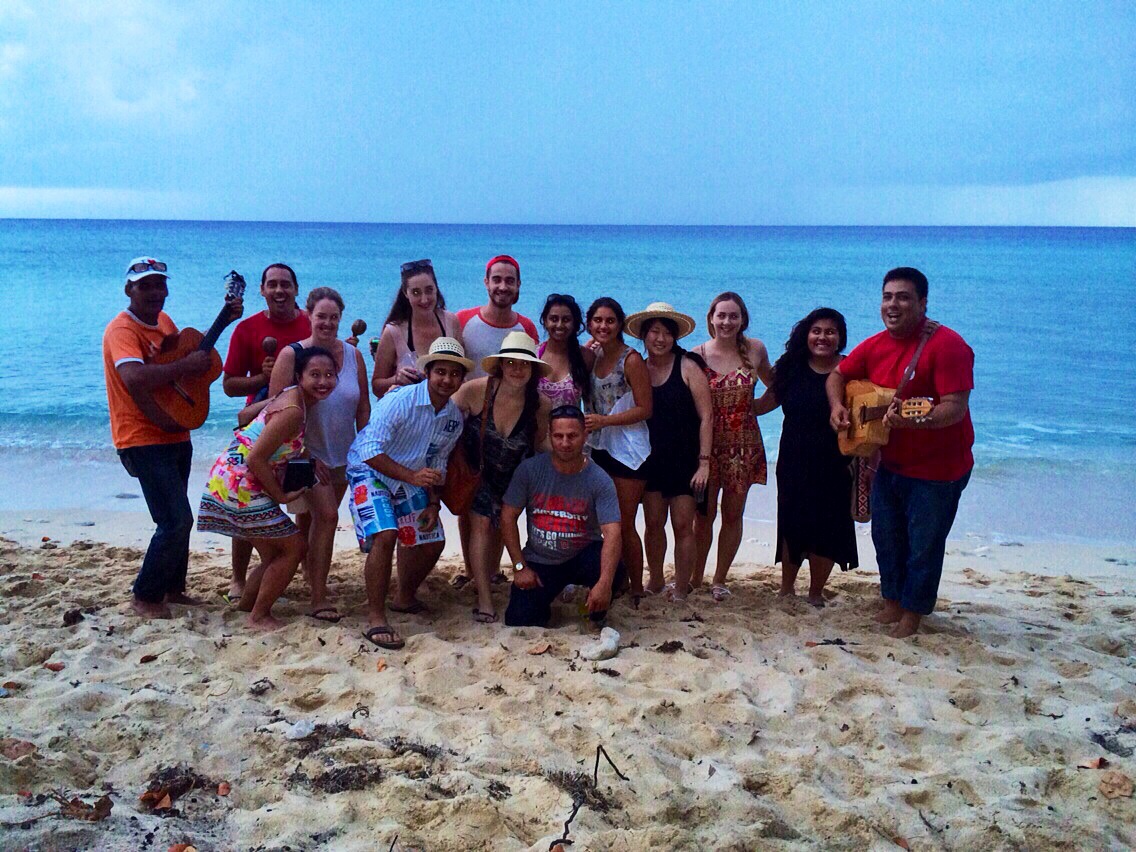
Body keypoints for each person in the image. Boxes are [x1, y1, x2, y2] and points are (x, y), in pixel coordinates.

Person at [827, 267, 974, 638]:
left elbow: (954, 406)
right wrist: (836, 407)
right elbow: (837, 376)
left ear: (923, 303)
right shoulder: (875, 345)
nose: (893, 304)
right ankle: (892, 601)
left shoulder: (948, 346)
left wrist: (915, 422)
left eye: (904, 297)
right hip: (890, 462)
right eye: (887, 297)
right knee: (887, 538)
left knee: (924, 546)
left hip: (939, 468)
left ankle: (914, 612)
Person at [103, 257, 241, 619]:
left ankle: (172, 589)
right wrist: (185, 368)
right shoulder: (121, 330)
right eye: (144, 285)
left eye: (159, 285)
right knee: (175, 520)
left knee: (179, 514)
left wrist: (224, 321)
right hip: (141, 436)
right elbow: (134, 377)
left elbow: (185, 359)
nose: (154, 292)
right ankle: (145, 596)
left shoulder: (164, 322)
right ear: (128, 289)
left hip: (175, 429)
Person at [198, 347, 337, 629]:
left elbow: (244, 416)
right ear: (299, 376)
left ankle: (248, 605)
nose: (323, 381)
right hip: (240, 484)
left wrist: (305, 454)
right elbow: (256, 457)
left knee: (276, 552)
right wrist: (281, 495)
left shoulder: (291, 397)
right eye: (315, 374)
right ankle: (258, 616)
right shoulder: (294, 410)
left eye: (329, 375)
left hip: (227, 477)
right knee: (295, 547)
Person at [347, 337, 470, 650]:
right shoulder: (399, 400)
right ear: (428, 371)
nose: (447, 379)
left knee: (432, 539)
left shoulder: (454, 418)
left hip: (409, 476)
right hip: (369, 471)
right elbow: (369, 450)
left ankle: (404, 597)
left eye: (454, 374)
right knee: (386, 535)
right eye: (440, 371)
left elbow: (435, 462)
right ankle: (376, 616)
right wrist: (412, 476)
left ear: (461, 379)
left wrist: (432, 501)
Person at [268, 287, 370, 623]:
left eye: (333, 317)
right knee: (327, 517)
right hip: (302, 455)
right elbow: (276, 411)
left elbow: (363, 407)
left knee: (311, 520)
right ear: (309, 316)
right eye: (321, 316)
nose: (327, 323)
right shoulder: (292, 355)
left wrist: (366, 448)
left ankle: (293, 576)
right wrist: (308, 455)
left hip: (343, 454)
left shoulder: (353, 356)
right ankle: (318, 597)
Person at [753, 308, 858, 607]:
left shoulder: (850, 370)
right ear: (806, 334)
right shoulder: (792, 367)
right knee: (791, 522)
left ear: (840, 338)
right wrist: (728, 401)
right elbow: (763, 405)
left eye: (830, 331)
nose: (823, 337)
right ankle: (786, 588)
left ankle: (815, 592)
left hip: (836, 461)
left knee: (827, 525)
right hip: (793, 459)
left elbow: (866, 411)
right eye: (817, 331)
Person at [220, 262, 310, 601]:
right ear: (261, 290)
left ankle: (292, 564)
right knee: (248, 497)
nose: (279, 290)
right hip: (260, 422)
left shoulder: (308, 323)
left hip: (299, 423)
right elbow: (229, 385)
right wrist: (262, 377)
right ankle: (239, 578)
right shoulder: (247, 328)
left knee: (300, 496)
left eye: (285, 284)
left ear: (296, 289)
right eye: (271, 284)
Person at [451, 332, 551, 623]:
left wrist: (573, 456)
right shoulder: (476, 390)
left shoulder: (540, 404)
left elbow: (541, 444)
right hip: (476, 473)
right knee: (481, 522)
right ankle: (484, 598)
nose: (517, 369)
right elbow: (442, 422)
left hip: (514, 477)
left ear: (533, 369)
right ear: (500, 366)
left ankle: (496, 574)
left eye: (524, 363)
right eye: (510, 362)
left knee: (500, 525)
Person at [453, 254, 539, 585]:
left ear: (518, 286)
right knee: (468, 499)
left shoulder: (526, 327)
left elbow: (530, 373)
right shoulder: (463, 320)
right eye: (497, 279)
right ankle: (472, 569)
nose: (503, 286)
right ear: (486, 282)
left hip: (509, 422)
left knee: (503, 502)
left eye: (510, 281)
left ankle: (490, 570)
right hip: (470, 422)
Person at [501, 406, 626, 628]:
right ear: (550, 435)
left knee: (614, 570)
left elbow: (613, 532)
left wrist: (604, 584)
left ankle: (594, 606)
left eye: (572, 436)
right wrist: (519, 566)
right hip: (541, 559)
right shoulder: (530, 470)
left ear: (584, 436)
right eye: (558, 436)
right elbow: (508, 516)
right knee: (520, 620)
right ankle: (552, 600)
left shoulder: (599, 478)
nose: (565, 443)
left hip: (582, 554)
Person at [626, 303, 713, 602]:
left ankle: (681, 586)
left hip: (686, 459)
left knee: (682, 525)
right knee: (652, 524)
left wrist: (704, 463)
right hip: (649, 459)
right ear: (644, 336)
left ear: (675, 337)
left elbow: (707, 417)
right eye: (654, 332)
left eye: (666, 333)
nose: (660, 339)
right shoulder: (637, 366)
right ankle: (657, 578)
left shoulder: (687, 365)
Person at [691, 292, 773, 601]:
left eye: (733, 316)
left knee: (733, 515)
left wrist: (755, 409)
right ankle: (696, 576)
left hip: (744, 445)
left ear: (742, 320)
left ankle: (720, 579)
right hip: (707, 448)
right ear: (710, 318)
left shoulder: (755, 349)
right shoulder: (696, 355)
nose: (726, 321)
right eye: (721, 315)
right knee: (704, 516)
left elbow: (777, 385)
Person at [582, 297, 652, 598]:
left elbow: (646, 408)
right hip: (597, 447)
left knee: (623, 524)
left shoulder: (631, 359)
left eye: (610, 320)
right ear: (589, 324)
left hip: (628, 450)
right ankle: (615, 581)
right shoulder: (591, 357)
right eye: (598, 320)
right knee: (600, 522)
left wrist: (605, 421)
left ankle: (636, 588)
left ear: (620, 324)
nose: (603, 326)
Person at [371, 258, 463, 398]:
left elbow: (463, 371)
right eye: (416, 292)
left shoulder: (450, 322)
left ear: (436, 289)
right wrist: (397, 379)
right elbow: (377, 386)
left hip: (446, 412)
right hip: (406, 415)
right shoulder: (394, 332)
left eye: (429, 290)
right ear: (405, 293)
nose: (424, 299)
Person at [536, 293, 594, 408]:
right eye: (554, 319)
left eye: (566, 320)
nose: (559, 325)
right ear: (545, 321)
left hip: (572, 425)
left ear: (575, 323)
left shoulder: (586, 357)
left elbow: (593, 404)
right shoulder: (533, 355)